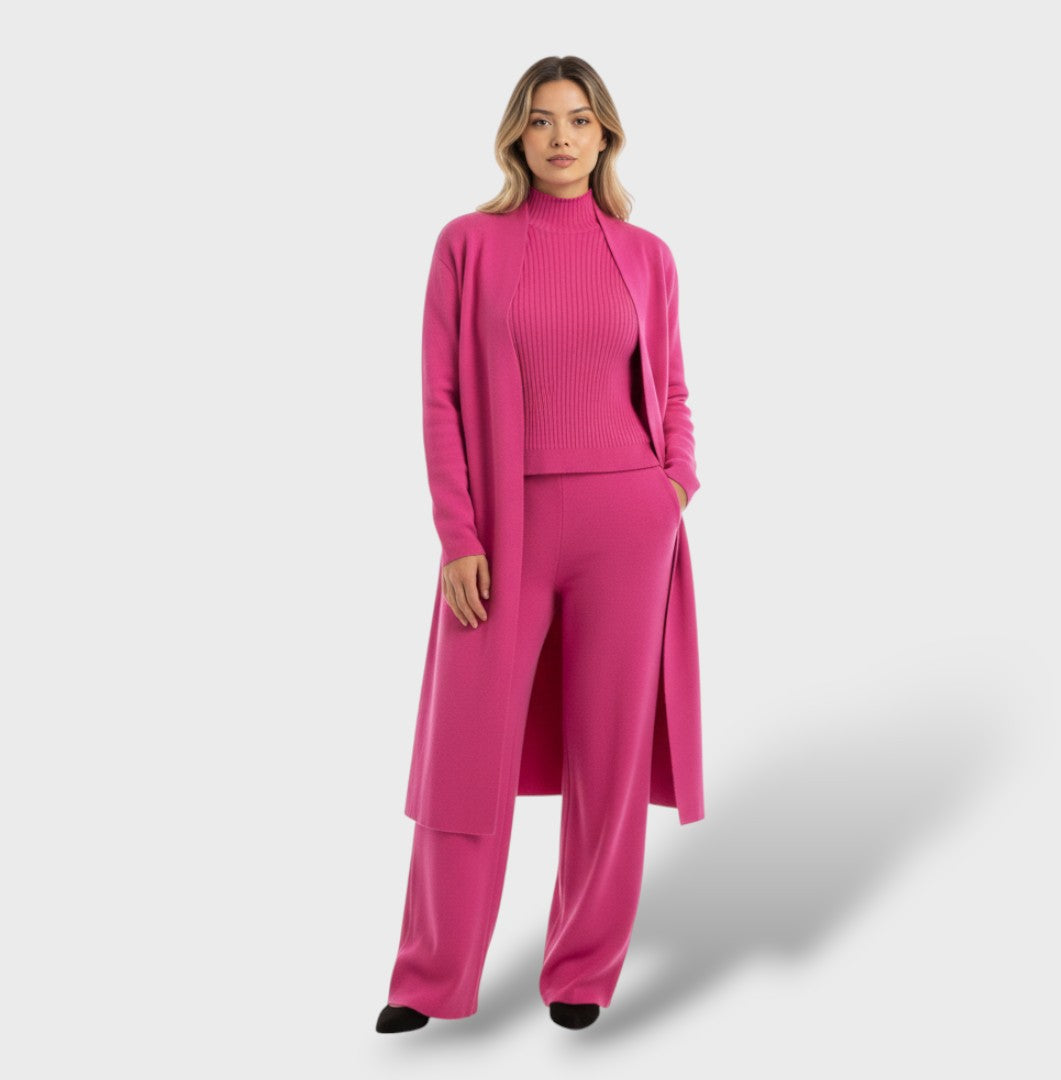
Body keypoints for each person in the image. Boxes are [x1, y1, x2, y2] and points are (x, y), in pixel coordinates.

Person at [377, 55, 704, 1034]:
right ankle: (428, 979)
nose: (562, 137)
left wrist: (675, 483)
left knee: (609, 756)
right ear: (516, 135)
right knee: (465, 753)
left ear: (606, 136)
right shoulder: (467, 245)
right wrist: (458, 534)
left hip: (627, 524)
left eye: (580, 119)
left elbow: (672, 388)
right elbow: (439, 397)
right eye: (542, 119)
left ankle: (582, 973)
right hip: (501, 529)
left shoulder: (646, 255)